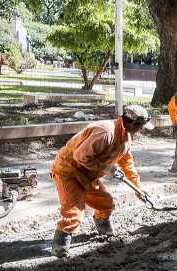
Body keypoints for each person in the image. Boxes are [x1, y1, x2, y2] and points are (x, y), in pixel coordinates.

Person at [50, 105, 154, 258]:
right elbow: (80, 156)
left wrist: (138, 187)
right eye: (141, 126)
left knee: (105, 204)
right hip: (69, 172)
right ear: (134, 123)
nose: (141, 130)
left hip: (88, 174)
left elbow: (127, 164)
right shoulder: (106, 132)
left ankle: (106, 235)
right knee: (73, 214)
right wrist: (104, 168)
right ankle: (59, 251)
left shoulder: (125, 138)